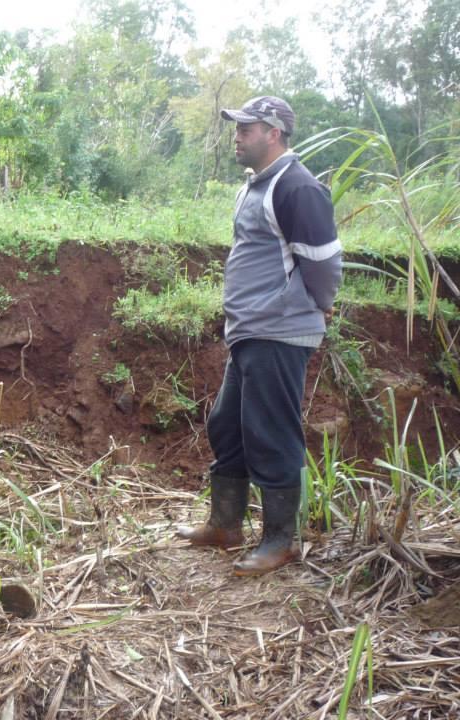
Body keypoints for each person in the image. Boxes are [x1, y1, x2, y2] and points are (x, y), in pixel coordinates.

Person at [177, 96, 342, 576]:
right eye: (237, 126)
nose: (237, 134)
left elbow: (324, 262)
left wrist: (320, 305)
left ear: (273, 133)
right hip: (248, 330)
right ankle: (225, 526)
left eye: (246, 127)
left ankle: (279, 541)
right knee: (227, 425)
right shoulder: (256, 187)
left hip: (279, 330)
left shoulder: (297, 187)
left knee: (271, 432)